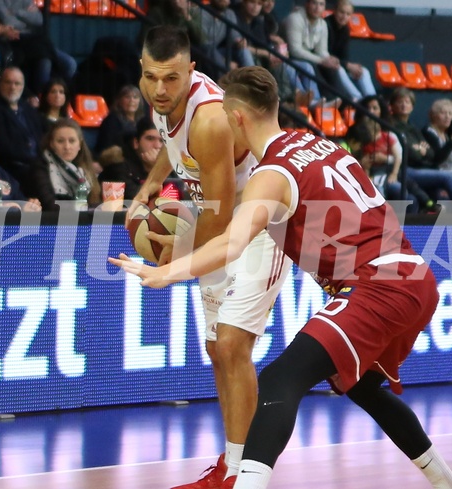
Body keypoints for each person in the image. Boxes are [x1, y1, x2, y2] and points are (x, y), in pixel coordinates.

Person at [109, 65, 452, 489]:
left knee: (280, 379)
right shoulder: (322, 144)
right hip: (416, 279)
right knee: (363, 387)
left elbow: (230, 244)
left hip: (378, 286)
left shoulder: (271, 174)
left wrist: (165, 273)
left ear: (237, 118)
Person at [131, 26, 291, 487]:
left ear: (191, 71)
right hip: (221, 219)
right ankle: (231, 461)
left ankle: (243, 474)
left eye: (172, 79)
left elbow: (220, 215)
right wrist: (146, 192)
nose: (160, 89)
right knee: (214, 348)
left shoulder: (210, 119)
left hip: (261, 220)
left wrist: (174, 261)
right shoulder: (158, 96)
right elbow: (172, 148)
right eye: (152, 77)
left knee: (232, 346)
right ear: (143, 71)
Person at [388, 87, 452, 211]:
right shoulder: (393, 126)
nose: (404, 105)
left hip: (422, 168)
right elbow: (410, 153)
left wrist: (420, 150)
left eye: (407, 102)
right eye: (400, 102)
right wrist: (420, 151)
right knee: (445, 177)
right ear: (392, 106)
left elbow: (430, 153)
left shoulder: (413, 127)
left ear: (412, 106)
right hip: (406, 170)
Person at [0, 66, 46, 192]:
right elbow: (1, 147)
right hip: (10, 169)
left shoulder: (28, 108)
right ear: (0, 84)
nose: (13, 87)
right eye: (8, 82)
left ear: (23, 86)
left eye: (17, 83)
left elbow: (41, 138)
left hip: (35, 165)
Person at [30, 118, 101, 211]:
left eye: (72, 141)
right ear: (51, 144)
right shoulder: (41, 167)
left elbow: (93, 203)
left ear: (80, 144)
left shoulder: (84, 169)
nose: (67, 147)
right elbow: (50, 205)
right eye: (60, 141)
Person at [281, 0, 342, 106]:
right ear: (307, 4)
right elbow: (294, 50)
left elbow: (321, 51)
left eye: (321, 4)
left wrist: (329, 60)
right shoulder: (295, 19)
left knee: (332, 67)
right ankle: (317, 101)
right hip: (287, 57)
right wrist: (322, 61)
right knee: (310, 66)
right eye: (314, 3)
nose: (317, 7)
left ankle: (338, 99)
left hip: (304, 57)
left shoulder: (322, 24)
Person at [97, 117, 166, 200]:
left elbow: (177, 194)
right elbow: (136, 198)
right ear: (136, 143)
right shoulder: (117, 166)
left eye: (161, 141)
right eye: (150, 139)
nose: (157, 146)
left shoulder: (170, 165)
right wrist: (155, 169)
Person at [325, 0, 376, 104]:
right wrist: (348, 66)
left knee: (363, 72)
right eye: (341, 12)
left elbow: (344, 57)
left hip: (339, 65)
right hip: (325, 67)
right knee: (340, 69)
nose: (344, 17)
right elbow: (325, 55)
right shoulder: (325, 25)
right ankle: (358, 100)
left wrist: (350, 67)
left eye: (348, 14)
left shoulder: (345, 30)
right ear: (334, 11)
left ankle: (372, 101)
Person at [94, 84, 145, 157]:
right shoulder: (111, 121)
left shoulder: (143, 121)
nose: (131, 100)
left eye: (135, 97)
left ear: (140, 101)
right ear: (119, 100)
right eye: (127, 97)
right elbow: (106, 146)